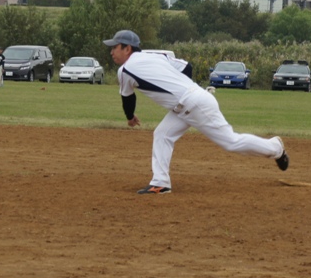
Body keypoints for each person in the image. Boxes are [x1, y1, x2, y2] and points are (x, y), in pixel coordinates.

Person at [104, 29, 288, 195]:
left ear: (127, 48)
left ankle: (275, 148)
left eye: (115, 47)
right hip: (187, 104)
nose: (111, 51)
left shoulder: (125, 70)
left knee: (231, 142)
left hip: (194, 103)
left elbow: (128, 98)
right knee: (162, 134)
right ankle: (160, 183)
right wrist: (184, 88)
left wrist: (130, 117)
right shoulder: (155, 56)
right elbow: (186, 67)